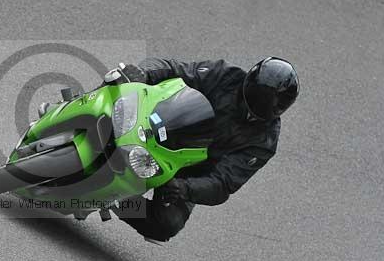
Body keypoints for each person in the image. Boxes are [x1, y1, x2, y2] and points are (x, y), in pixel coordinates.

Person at [113, 57, 299, 244]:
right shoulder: (225, 75)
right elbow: (176, 69)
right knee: (121, 80)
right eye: (259, 96)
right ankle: (94, 108)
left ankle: (115, 201)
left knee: (166, 223)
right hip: (163, 123)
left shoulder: (264, 143)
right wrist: (145, 74)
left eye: (268, 102)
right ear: (249, 81)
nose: (258, 105)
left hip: (188, 170)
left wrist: (184, 188)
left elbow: (223, 183)